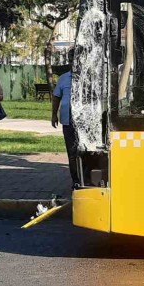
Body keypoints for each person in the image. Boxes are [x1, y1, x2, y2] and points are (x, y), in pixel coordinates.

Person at [52, 48, 79, 188]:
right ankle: (76, 181)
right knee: (72, 152)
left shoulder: (89, 77)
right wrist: (53, 115)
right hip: (68, 120)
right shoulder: (63, 78)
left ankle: (85, 178)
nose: (74, 62)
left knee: (85, 151)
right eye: (72, 59)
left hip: (83, 121)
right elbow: (56, 97)